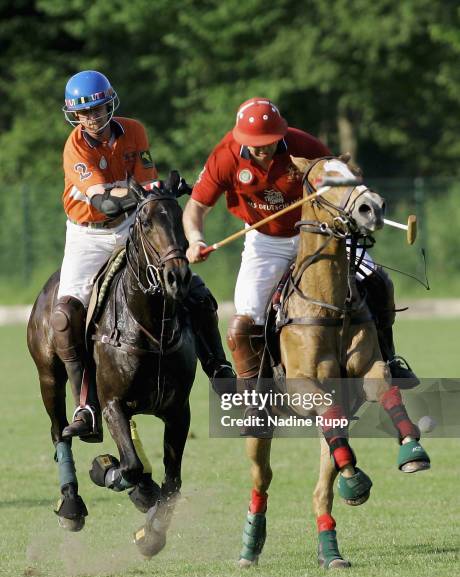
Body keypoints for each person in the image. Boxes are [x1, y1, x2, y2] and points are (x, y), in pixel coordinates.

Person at [183, 97, 418, 386]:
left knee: (377, 280)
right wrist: (195, 239)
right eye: (255, 142)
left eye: (269, 140)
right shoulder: (225, 155)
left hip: (322, 233)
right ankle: (256, 394)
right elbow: (196, 207)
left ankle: (389, 359)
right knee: (245, 322)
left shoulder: (304, 146)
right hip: (266, 241)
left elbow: (340, 183)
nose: (263, 148)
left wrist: (358, 204)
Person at [54, 70, 233, 441]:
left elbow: (146, 180)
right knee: (65, 316)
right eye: (84, 113)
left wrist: (166, 189)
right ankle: (86, 405)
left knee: (190, 286)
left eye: (98, 108)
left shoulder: (134, 130)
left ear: (109, 104)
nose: (92, 118)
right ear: (75, 116)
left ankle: (217, 367)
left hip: (132, 225)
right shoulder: (76, 147)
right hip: (88, 234)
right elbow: (103, 199)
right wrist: (140, 190)